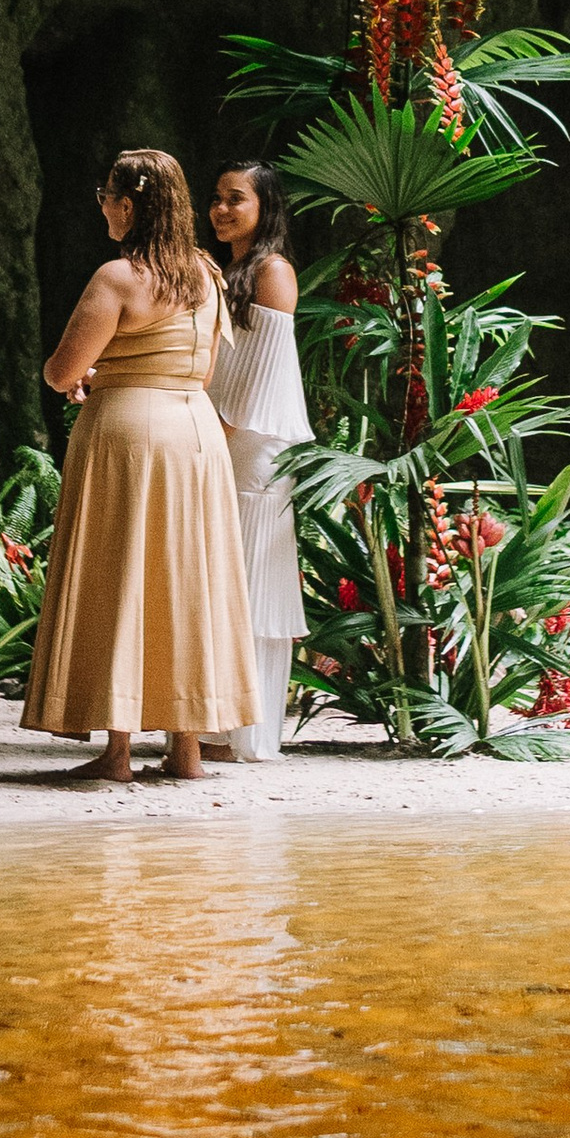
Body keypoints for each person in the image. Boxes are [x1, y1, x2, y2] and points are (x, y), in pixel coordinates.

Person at [22, 148, 259, 781]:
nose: (102, 207)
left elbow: (61, 371)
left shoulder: (118, 277)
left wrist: (93, 376)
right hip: (195, 433)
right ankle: (186, 748)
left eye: (105, 196)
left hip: (127, 433)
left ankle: (119, 750)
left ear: (128, 205)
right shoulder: (207, 276)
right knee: (186, 582)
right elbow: (205, 369)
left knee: (119, 575)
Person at [205, 159, 312, 761]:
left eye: (235, 198)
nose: (221, 209)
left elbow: (260, 373)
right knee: (222, 578)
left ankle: (243, 732)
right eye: (216, 198)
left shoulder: (272, 272)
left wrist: (211, 436)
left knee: (250, 582)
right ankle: (215, 723)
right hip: (223, 431)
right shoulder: (229, 271)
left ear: (265, 207)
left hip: (256, 445)